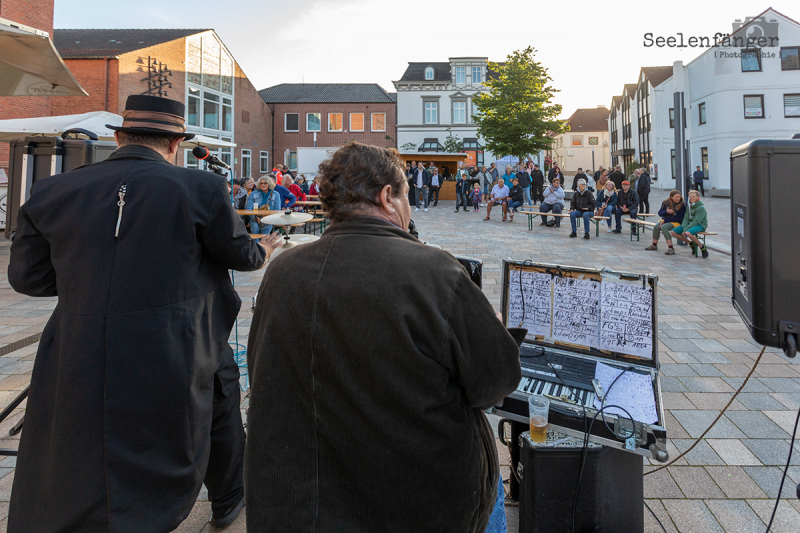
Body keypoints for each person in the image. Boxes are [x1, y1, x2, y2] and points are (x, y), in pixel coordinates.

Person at [6, 95, 283, 532]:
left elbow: (30, 280)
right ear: (176, 142)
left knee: (82, 423)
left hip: (82, 337)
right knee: (219, 397)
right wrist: (265, 249)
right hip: (180, 336)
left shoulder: (53, 190)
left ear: (118, 137)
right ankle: (229, 496)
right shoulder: (200, 187)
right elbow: (240, 256)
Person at [245, 141, 521, 533]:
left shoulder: (281, 271)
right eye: (406, 194)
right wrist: (489, 332)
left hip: (304, 499)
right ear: (387, 196)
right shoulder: (435, 272)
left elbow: (263, 372)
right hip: (418, 502)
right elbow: (494, 385)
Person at [670, 190, 709, 258]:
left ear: (697, 197)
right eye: (690, 196)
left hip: (700, 225)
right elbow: (686, 218)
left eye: (693, 196)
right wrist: (685, 228)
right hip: (690, 224)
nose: (691, 198)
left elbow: (697, 221)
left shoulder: (701, 208)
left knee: (688, 233)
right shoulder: (689, 206)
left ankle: (702, 247)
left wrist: (686, 230)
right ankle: (691, 244)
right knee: (673, 232)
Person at [645, 190, 686, 255]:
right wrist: (666, 212)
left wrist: (665, 221)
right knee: (656, 227)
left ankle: (671, 248)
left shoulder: (682, 205)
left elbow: (679, 218)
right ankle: (654, 245)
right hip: (665, 220)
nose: (678, 198)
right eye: (676, 197)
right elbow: (659, 213)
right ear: (671, 197)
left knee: (664, 227)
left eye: (679, 197)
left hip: (676, 222)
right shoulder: (665, 202)